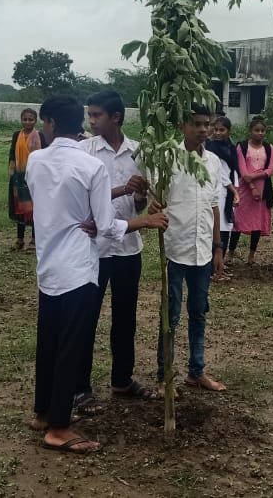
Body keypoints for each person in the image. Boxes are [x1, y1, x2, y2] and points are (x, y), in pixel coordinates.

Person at [25, 95, 167, 454]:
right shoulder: (90, 165)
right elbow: (105, 226)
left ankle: (44, 413)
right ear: (78, 122)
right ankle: (58, 428)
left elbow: (54, 202)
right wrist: (146, 221)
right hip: (78, 268)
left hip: (49, 266)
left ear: (51, 123)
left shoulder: (36, 161)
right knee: (70, 346)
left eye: (43, 123)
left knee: (49, 342)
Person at [77, 90, 161, 406]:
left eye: (96, 115)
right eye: (90, 114)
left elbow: (139, 206)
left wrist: (139, 196)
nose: (91, 121)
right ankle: (80, 387)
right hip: (94, 250)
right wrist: (124, 188)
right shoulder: (85, 151)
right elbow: (84, 199)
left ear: (116, 117)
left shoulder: (139, 153)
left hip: (128, 248)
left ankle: (122, 380)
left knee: (125, 319)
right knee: (87, 317)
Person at [154, 104, 227, 392]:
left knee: (198, 312)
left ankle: (196, 371)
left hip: (203, 251)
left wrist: (218, 247)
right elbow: (156, 199)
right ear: (182, 126)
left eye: (206, 124)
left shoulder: (213, 162)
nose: (203, 130)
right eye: (196, 124)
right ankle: (164, 376)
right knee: (170, 315)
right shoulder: (167, 158)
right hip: (175, 248)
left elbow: (213, 206)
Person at [232, 117, 273, 265]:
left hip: (263, 188)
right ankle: (230, 252)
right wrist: (252, 186)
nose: (260, 133)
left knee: (257, 221)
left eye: (263, 130)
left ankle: (251, 255)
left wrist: (255, 176)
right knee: (238, 220)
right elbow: (243, 170)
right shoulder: (242, 147)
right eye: (257, 130)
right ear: (250, 131)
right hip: (245, 188)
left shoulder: (269, 148)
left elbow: (270, 170)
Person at [205, 116, 240, 280]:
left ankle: (219, 267)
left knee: (226, 228)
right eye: (216, 129)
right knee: (218, 229)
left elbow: (233, 171)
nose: (218, 133)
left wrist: (235, 190)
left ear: (229, 131)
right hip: (217, 192)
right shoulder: (211, 148)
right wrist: (234, 191)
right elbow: (221, 174)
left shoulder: (230, 147)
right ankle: (214, 269)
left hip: (227, 193)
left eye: (222, 130)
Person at [8, 108, 47, 252]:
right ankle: (19, 239)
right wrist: (12, 171)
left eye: (30, 119)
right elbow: (12, 153)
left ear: (35, 121)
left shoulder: (40, 136)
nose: (27, 122)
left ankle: (34, 240)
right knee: (20, 208)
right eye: (25, 119)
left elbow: (45, 154)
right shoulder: (16, 135)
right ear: (21, 120)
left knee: (35, 207)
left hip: (35, 176)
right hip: (19, 176)